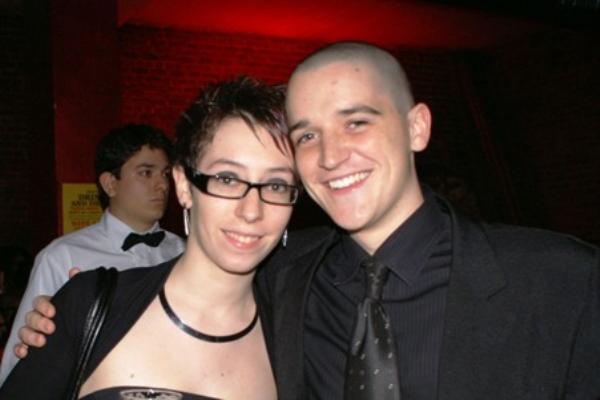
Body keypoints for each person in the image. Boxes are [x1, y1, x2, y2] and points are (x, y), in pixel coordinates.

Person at [14, 43, 600, 400]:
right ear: (185, 186)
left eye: (356, 122)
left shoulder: (566, 284)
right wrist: (66, 316)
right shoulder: (291, 283)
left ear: (417, 127)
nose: (331, 155)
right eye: (308, 136)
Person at [0, 76, 297, 399]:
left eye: (277, 185)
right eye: (227, 178)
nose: (251, 211)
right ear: (183, 185)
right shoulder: (87, 301)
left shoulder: (298, 334)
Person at [0, 124, 185, 383]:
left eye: (165, 173)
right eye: (146, 173)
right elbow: (19, 362)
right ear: (110, 184)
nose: (162, 185)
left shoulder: (184, 251)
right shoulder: (63, 256)